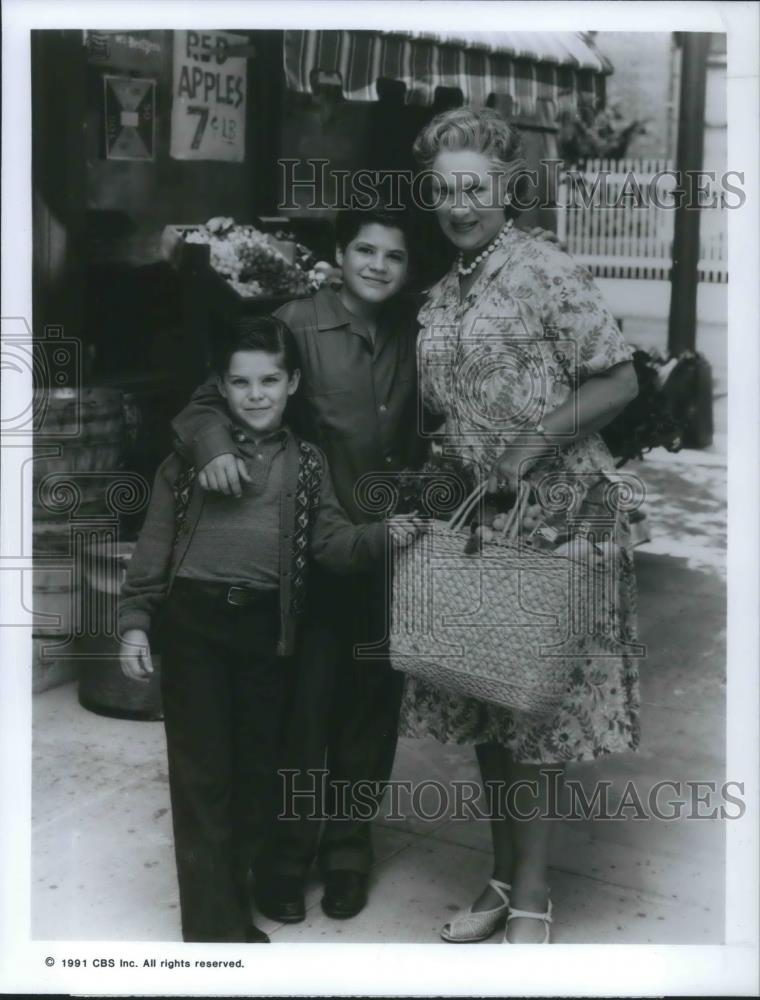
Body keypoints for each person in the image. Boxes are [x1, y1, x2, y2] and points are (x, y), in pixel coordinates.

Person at [398, 107, 641, 944]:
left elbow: (619, 382)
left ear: (507, 189)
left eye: (475, 188)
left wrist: (531, 444)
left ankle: (533, 896)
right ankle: (502, 878)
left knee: (536, 712)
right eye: (444, 191)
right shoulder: (446, 289)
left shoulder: (542, 269)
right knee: (487, 696)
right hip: (479, 518)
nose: (460, 204)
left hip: (560, 515)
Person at [119, 315, 421, 943]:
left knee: (257, 772)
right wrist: (135, 623)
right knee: (202, 774)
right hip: (195, 625)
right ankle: (214, 928)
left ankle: (238, 894)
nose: (255, 394)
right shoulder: (191, 458)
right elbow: (153, 547)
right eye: (241, 382)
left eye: (269, 380)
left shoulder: (307, 465)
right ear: (221, 388)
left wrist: (382, 536)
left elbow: (333, 541)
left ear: (293, 384)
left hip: (266, 633)